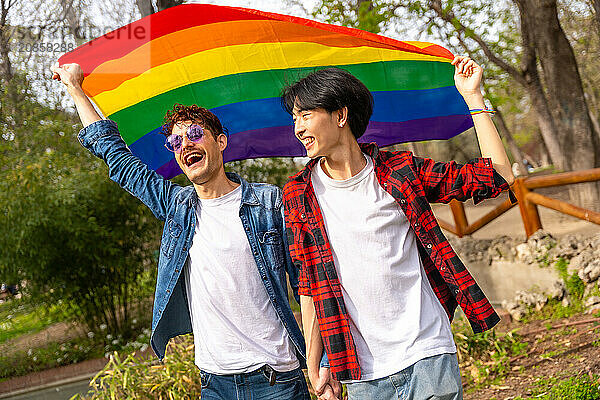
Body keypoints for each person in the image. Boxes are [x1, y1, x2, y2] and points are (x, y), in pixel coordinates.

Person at [50, 62, 337, 400]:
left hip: (278, 382)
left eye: (195, 134)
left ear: (221, 141)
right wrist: (74, 87)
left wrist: (325, 366)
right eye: (176, 141)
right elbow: (115, 155)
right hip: (213, 385)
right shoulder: (178, 207)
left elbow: (312, 283)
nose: (185, 144)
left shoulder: (270, 203)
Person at [280, 56, 515, 400]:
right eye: (294, 118)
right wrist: (317, 364)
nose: (298, 128)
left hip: (427, 354)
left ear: (340, 115)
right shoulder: (299, 193)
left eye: (306, 115)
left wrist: (474, 98)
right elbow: (309, 283)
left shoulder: (400, 172)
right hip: (362, 372)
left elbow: (498, 177)